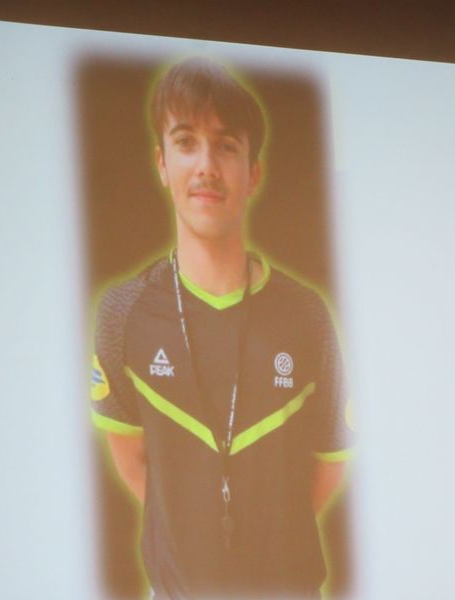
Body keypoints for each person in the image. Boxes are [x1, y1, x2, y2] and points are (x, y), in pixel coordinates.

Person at [90, 57, 352, 599]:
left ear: (253, 173)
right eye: (187, 142)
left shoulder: (307, 317)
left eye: (227, 145)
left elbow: (327, 469)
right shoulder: (123, 313)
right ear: (162, 163)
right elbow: (130, 459)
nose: (206, 165)